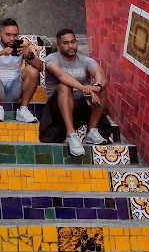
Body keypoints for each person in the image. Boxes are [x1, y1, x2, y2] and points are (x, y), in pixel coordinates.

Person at [40, 28, 109, 157]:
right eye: (66, 43)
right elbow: (60, 75)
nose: (70, 46)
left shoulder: (85, 60)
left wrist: (97, 87)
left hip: (81, 106)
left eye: (73, 42)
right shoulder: (52, 58)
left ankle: (92, 131)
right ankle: (71, 134)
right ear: (58, 45)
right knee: (64, 86)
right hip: (57, 108)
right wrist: (85, 89)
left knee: (101, 88)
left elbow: (99, 73)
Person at [0, 18, 43, 123]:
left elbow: (41, 68)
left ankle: (23, 110)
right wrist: (0, 53)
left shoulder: (22, 47)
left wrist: (29, 55)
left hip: (15, 89)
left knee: (32, 70)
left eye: (15, 35)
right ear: (0, 34)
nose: (12, 38)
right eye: (8, 35)